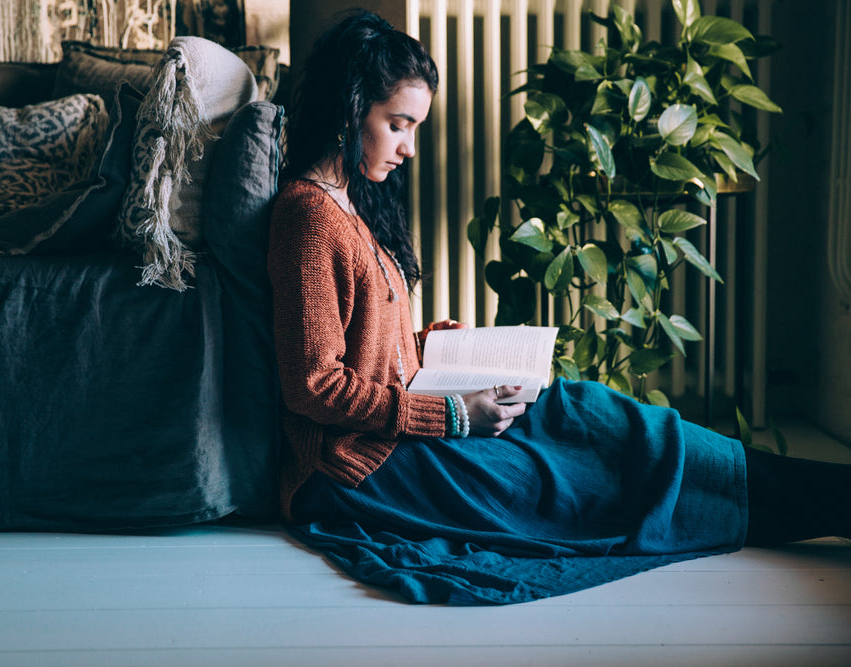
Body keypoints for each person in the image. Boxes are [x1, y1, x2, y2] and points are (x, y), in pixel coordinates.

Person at [266, 10, 850, 605]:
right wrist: (452, 417)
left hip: (404, 418)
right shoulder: (308, 217)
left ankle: (836, 493)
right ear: (351, 106)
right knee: (574, 481)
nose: (409, 147)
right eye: (399, 125)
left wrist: (428, 345)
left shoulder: (351, 203)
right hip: (358, 466)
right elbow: (313, 385)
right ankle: (833, 501)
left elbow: (363, 345)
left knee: (598, 415)